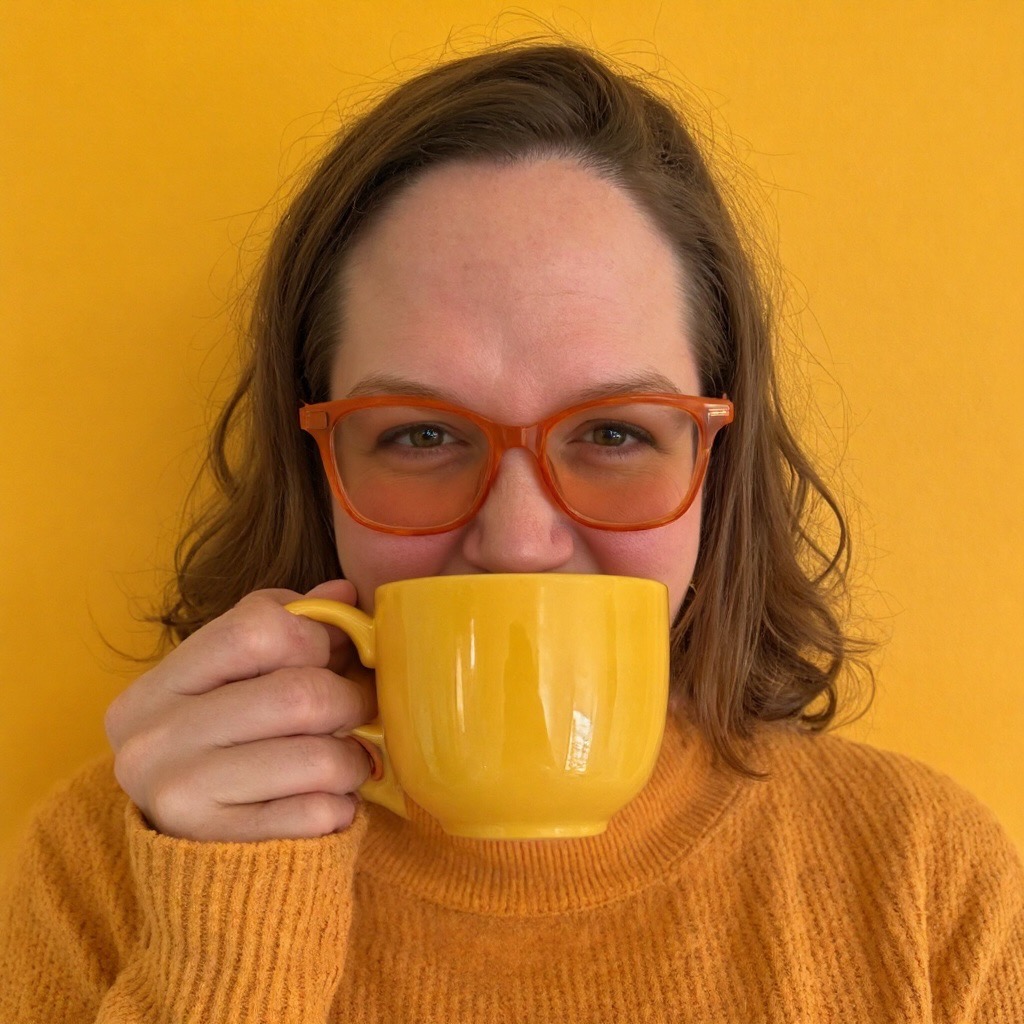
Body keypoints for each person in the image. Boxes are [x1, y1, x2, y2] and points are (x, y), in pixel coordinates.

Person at [1, 40, 1022, 1023]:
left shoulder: (929, 883)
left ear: (717, 459)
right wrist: (227, 948)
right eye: (421, 434)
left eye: (615, 432)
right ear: (318, 467)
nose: (520, 540)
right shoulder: (107, 868)